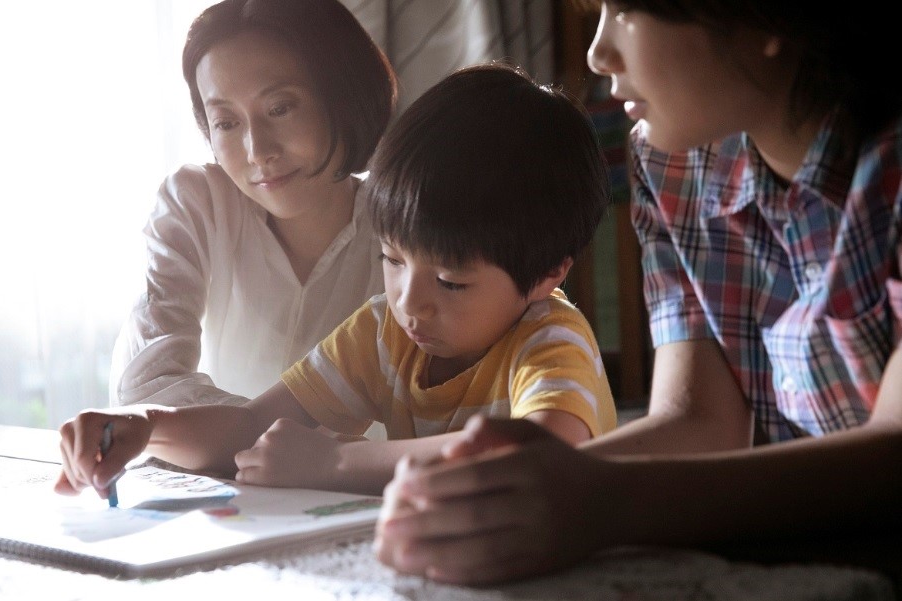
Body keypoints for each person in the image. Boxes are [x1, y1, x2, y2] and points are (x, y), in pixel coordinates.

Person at [373, 0, 902, 586]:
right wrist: (504, 493)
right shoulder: (678, 164)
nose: (599, 53)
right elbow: (700, 420)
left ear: (764, 20)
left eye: (625, 11)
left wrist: (602, 500)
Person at [55, 63, 617, 498]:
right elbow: (252, 426)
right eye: (393, 260)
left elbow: (538, 453)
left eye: (450, 282)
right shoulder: (384, 332)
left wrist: (335, 462)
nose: (410, 304)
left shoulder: (550, 340)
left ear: (548, 275)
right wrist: (146, 427)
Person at [108, 0, 396, 412]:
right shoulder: (198, 204)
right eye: (226, 123)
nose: (258, 151)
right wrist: (282, 440)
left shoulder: (404, 227)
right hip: (216, 477)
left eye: (280, 108)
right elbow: (145, 384)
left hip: (358, 478)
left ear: (343, 96)